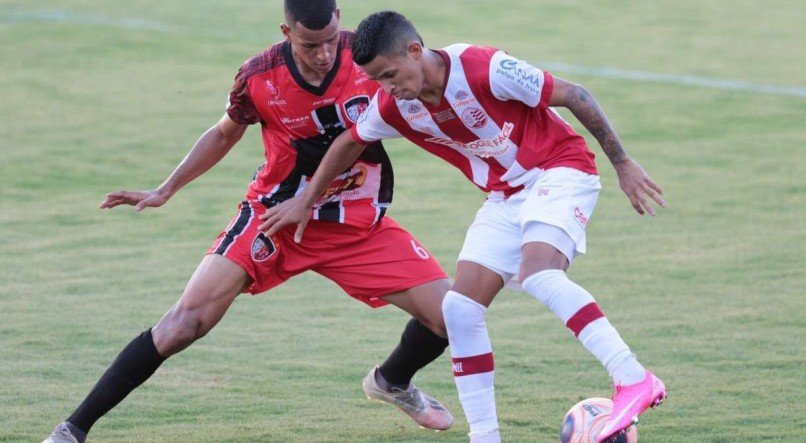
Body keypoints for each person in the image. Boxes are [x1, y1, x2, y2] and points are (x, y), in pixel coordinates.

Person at [43, 3, 457, 442]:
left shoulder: (371, 54)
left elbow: (429, 93)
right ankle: (72, 430)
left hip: (353, 222)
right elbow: (224, 132)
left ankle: (391, 381)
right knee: (183, 324)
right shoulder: (259, 76)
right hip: (274, 219)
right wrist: (166, 189)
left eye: (331, 40)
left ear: (340, 18)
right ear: (286, 31)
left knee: (452, 317)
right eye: (309, 44)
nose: (323, 54)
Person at [260, 10, 668, 443]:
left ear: (416, 51)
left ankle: (633, 378)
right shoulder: (397, 106)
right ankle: (485, 437)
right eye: (377, 79)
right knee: (459, 309)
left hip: (559, 169)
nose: (387, 87)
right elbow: (350, 140)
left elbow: (574, 94)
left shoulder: (483, 67)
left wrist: (622, 162)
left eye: (390, 73)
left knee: (540, 274)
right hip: (505, 196)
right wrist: (306, 200)